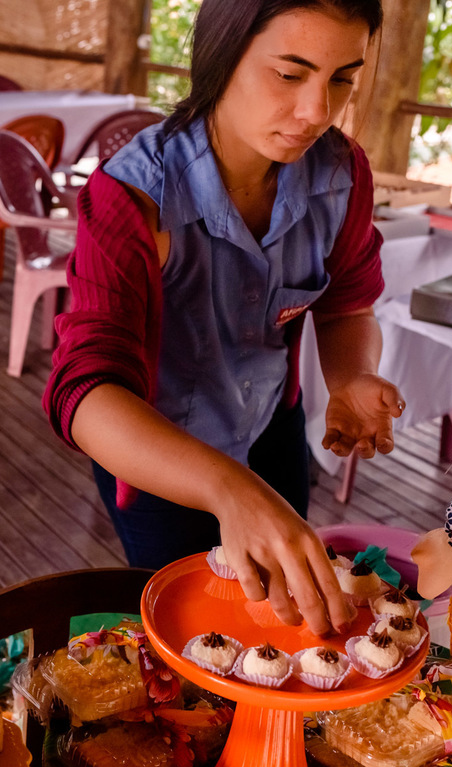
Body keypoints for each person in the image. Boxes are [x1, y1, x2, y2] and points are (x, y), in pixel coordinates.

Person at [44, 0, 405, 637]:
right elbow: (85, 391)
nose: (316, 112)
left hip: (271, 431)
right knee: (191, 635)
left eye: (341, 78)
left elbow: (347, 301)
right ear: (221, 57)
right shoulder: (135, 197)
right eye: (290, 75)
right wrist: (230, 490)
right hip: (160, 455)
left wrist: (350, 375)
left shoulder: (340, 176)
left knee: (278, 624)